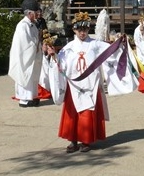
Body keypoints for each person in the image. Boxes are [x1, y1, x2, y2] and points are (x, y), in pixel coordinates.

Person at [47, 12, 137, 152]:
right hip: (74, 85)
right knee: (73, 112)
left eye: (85, 29)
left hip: (91, 84)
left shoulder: (96, 44)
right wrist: (54, 56)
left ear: (89, 29)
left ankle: (85, 140)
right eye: (79, 30)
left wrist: (120, 43)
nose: (82, 33)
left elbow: (111, 53)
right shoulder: (68, 47)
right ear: (74, 30)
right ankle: (73, 140)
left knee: (87, 112)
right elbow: (61, 65)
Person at [8, 0, 43, 108]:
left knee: (32, 76)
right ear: (29, 13)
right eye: (35, 12)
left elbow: (35, 40)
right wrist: (36, 45)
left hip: (32, 56)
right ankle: (24, 99)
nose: (38, 14)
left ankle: (31, 97)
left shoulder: (32, 24)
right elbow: (25, 44)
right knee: (25, 75)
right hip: (24, 57)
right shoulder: (22, 25)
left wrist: (39, 45)